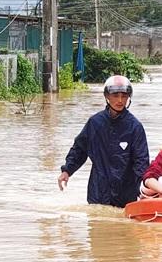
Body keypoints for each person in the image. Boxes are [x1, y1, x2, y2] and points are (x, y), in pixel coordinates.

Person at [57, 75, 149, 208]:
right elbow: (80, 149)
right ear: (107, 96)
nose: (120, 100)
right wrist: (67, 171)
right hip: (98, 191)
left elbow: (141, 161)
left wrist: (143, 187)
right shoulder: (95, 123)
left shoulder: (135, 127)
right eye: (115, 95)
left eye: (124, 96)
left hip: (125, 194)